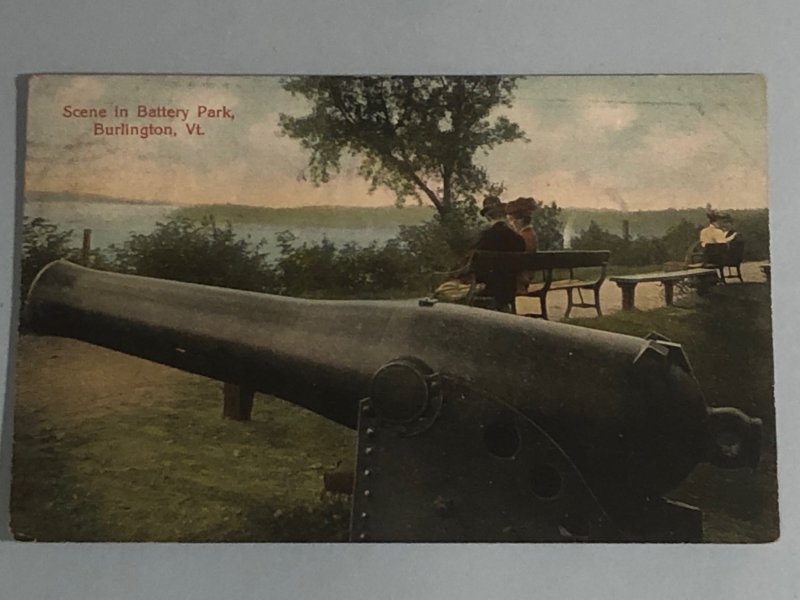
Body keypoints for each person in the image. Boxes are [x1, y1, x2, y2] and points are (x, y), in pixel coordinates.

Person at [473, 196, 526, 311]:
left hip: (489, 288)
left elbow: (475, 264)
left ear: (488, 216)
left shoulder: (485, 237)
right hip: (509, 289)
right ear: (503, 214)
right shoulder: (517, 239)